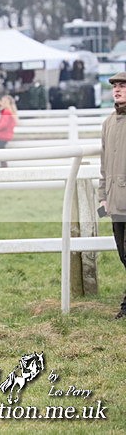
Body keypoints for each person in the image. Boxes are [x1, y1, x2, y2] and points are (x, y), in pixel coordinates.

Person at [99, 71, 126, 318]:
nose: (117, 89)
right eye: (115, 86)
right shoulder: (108, 123)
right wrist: (102, 196)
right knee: (123, 255)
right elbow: (104, 165)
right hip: (115, 201)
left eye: (122, 86)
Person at [0, 94, 18, 168]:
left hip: (3, 136)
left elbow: (3, 124)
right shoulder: (8, 112)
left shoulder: (6, 112)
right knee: (1, 155)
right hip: (5, 136)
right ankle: (3, 169)